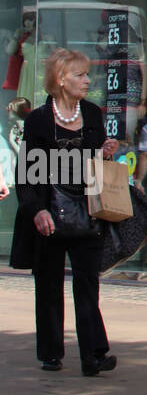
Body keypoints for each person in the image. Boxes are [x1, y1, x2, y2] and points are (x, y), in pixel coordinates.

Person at [10, 49, 119, 375]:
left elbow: (95, 165)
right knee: (48, 286)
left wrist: (104, 154)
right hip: (49, 214)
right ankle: (51, 352)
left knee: (88, 284)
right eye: (80, 75)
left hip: (88, 211)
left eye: (87, 74)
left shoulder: (92, 113)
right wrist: (36, 211)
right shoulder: (39, 119)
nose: (87, 80)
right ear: (60, 79)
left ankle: (93, 355)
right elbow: (27, 174)